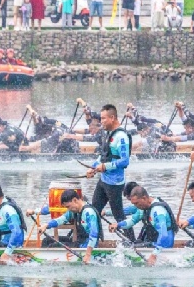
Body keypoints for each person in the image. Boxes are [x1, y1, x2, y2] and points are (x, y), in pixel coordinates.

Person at [82, 103, 130, 233]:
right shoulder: (108, 134)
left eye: (104, 118)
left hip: (115, 183)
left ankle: (132, 242)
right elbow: (103, 156)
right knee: (94, 210)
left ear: (112, 117)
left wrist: (105, 166)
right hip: (103, 180)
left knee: (118, 215)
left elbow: (125, 161)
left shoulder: (121, 137)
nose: (101, 122)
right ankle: (93, 238)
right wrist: (93, 167)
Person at [113, 185, 175, 265]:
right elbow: (132, 221)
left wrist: (154, 255)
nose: (136, 206)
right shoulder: (143, 208)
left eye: (136, 203)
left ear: (144, 198)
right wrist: (118, 225)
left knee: (127, 247)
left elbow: (163, 235)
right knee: (125, 245)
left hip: (164, 244)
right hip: (155, 242)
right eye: (134, 204)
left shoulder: (158, 211)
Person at [34, 189, 100, 264]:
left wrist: (88, 254)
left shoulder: (88, 212)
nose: (68, 209)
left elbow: (94, 234)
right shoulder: (75, 210)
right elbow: (61, 219)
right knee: (47, 240)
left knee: (54, 246)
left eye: (68, 206)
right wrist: (46, 225)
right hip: (79, 241)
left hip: (85, 245)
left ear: (75, 200)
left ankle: (43, 263)